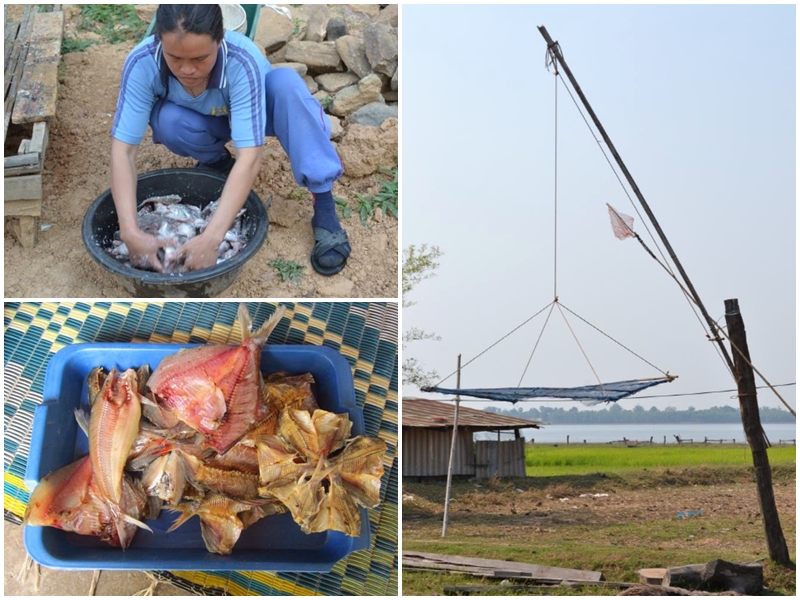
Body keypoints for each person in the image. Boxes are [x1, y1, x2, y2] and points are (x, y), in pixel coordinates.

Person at [110, 4, 350, 275]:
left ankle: (323, 199)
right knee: (167, 119)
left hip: (259, 115)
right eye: (174, 58)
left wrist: (212, 239)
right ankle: (217, 162)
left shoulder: (241, 59)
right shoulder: (142, 62)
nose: (187, 70)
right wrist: (129, 232)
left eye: (200, 59)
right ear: (158, 42)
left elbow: (250, 155)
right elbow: (124, 152)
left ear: (219, 40)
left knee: (286, 85)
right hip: (208, 118)